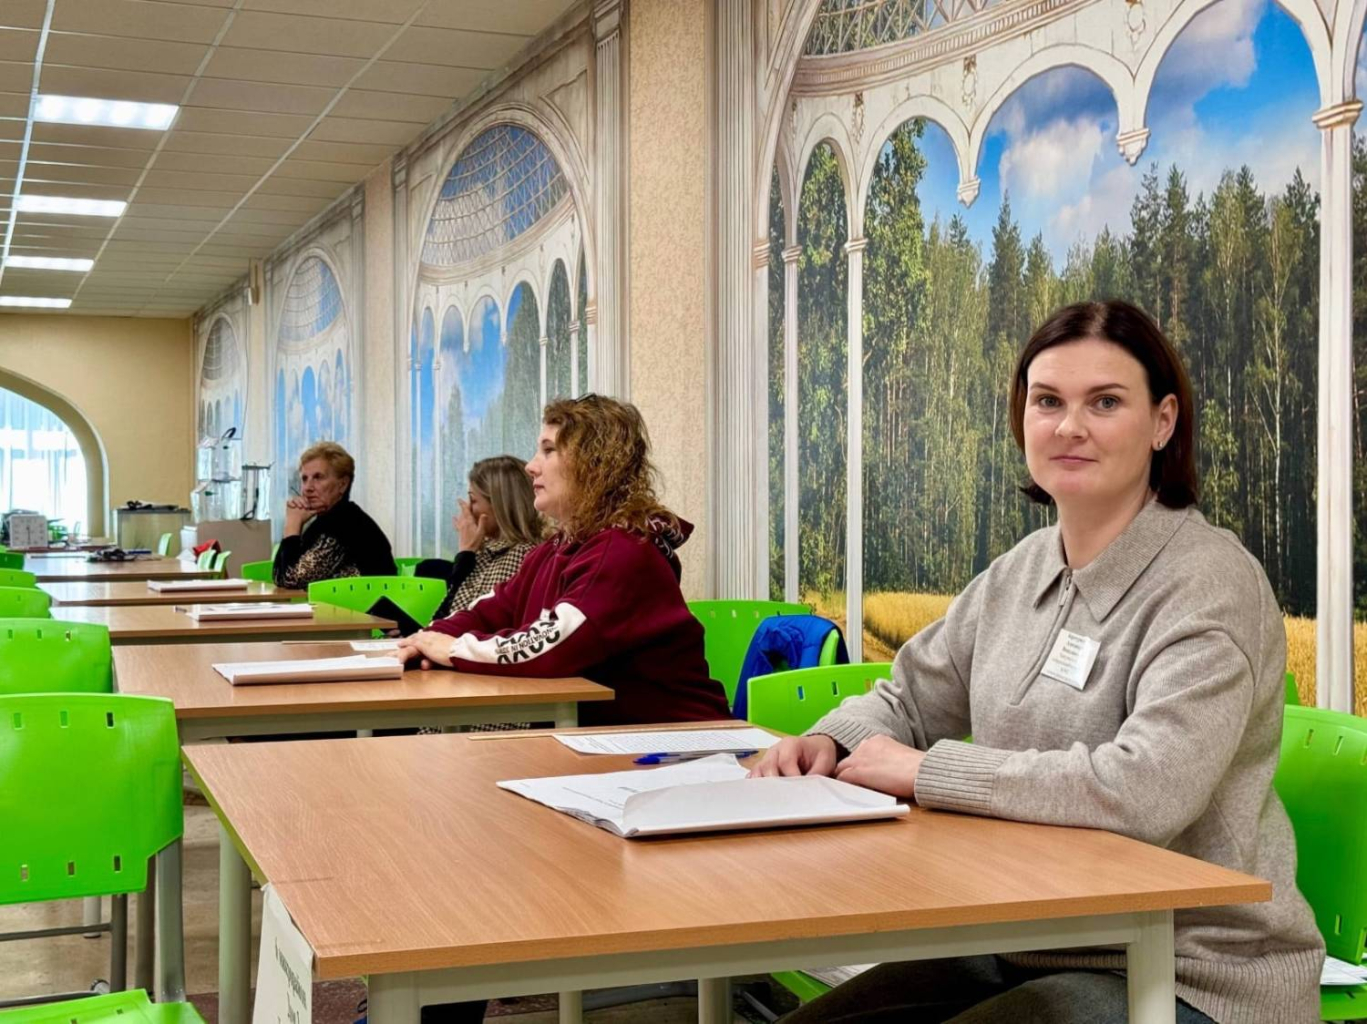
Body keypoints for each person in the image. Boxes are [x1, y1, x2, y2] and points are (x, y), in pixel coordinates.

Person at [753, 300, 1323, 1023]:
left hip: (1192, 970)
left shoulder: (1209, 585)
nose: (1069, 426)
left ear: (1162, 422)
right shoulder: (1021, 569)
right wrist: (830, 740)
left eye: (1105, 402)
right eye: (1047, 401)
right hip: (1026, 938)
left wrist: (928, 772)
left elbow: (1144, 791)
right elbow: (909, 698)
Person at [397, 394, 730, 726]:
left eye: (548, 450)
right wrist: (422, 642)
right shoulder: (557, 547)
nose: (531, 466)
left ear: (592, 464)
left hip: (681, 740)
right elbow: (491, 609)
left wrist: (453, 649)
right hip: (609, 741)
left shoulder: (622, 551)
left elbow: (551, 647)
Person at [417, 455, 544, 620]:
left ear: (499, 505)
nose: (468, 509)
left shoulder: (519, 555)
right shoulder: (489, 549)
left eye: (473, 500)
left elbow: (463, 618)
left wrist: (465, 554)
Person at [273, 441, 396, 589]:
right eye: (304, 479)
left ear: (342, 484)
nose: (307, 488)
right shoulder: (324, 520)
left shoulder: (347, 524)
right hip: (342, 603)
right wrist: (292, 526)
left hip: (369, 604)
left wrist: (292, 526)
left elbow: (291, 579)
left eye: (318, 477)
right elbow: (279, 577)